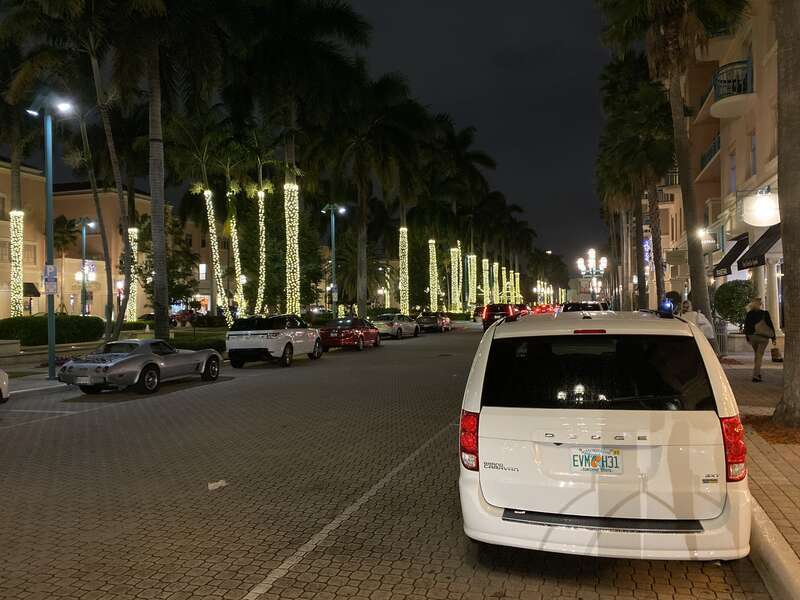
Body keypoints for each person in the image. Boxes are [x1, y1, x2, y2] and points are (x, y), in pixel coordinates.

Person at [744, 298, 777, 382]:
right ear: (760, 304)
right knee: (759, 356)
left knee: (757, 355)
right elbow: (770, 325)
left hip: (752, 337)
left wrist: (747, 337)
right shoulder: (765, 314)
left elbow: (746, 326)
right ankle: (756, 375)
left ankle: (757, 373)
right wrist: (773, 338)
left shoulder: (749, 314)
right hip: (763, 338)